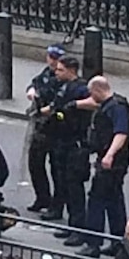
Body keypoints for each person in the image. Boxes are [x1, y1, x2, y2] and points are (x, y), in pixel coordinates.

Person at [39, 56, 96, 248]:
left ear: (72, 70)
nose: (57, 72)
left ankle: (80, 229)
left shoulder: (81, 88)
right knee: (64, 184)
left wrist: (76, 105)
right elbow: (56, 106)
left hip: (75, 144)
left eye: (61, 70)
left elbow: (95, 102)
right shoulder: (62, 86)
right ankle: (72, 226)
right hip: (61, 141)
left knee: (75, 187)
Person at [79, 76, 129, 258]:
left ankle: (93, 243)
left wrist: (109, 154)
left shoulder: (116, 108)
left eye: (91, 93)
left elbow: (121, 133)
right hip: (113, 159)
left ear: (97, 90)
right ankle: (119, 242)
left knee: (97, 199)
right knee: (114, 200)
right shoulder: (112, 104)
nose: (90, 97)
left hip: (113, 161)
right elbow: (93, 105)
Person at [25, 43, 66, 213]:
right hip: (40, 126)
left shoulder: (62, 79)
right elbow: (35, 83)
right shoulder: (46, 73)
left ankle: (56, 205)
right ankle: (42, 198)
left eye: (56, 59)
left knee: (57, 168)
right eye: (51, 58)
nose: (53, 62)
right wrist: (31, 90)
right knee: (35, 163)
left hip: (56, 128)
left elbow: (58, 101)